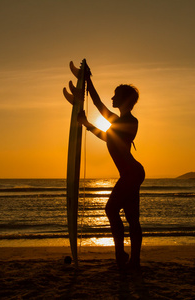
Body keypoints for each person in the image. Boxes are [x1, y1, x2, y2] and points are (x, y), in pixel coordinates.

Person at [78, 69, 145, 270]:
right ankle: (131, 260)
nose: (112, 98)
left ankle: (122, 255)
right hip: (130, 173)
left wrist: (87, 124)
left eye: (116, 95)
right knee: (132, 217)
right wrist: (87, 124)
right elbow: (105, 127)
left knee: (111, 209)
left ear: (124, 100)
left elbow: (101, 111)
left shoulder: (130, 121)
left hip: (133, 173)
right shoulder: (119, 121)